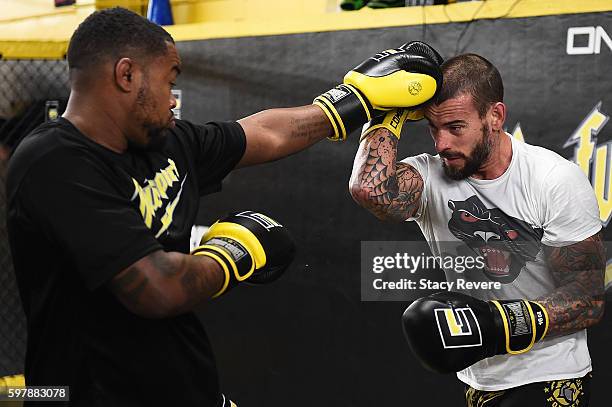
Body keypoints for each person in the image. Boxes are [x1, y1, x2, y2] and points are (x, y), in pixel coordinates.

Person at [6, 7, 443, 407]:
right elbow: (157, 289)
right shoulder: (54, 163)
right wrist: (232, 254)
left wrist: (354, 100)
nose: (173, 97)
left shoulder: (165, 141)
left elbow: (263, 133)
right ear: (126, 75)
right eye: (168, 80)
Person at [349, 53, 605, 405]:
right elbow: (370, 190)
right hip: (479, 379)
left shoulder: (552, 179)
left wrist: (500, 324)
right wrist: (386, 113)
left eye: (455, 127)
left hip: (552, 377)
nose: (442, 144)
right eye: (433, 128)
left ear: (495, 116)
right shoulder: (429, 175)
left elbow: (587, 299)